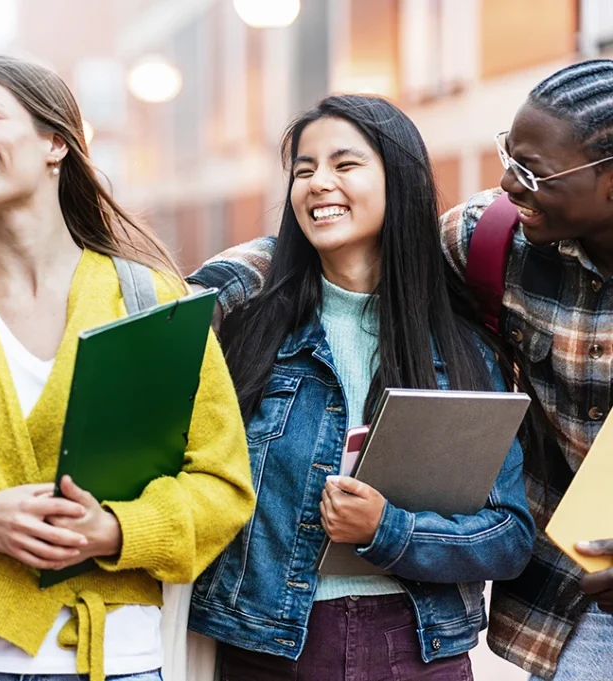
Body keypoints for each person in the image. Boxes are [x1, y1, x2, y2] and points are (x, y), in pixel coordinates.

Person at [0, 55, 256, 681]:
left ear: (56, 140)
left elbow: (222, 483)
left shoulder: (153, 300)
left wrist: (116, 529)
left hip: (118, 659)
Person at [189, 60, 613, 681]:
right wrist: (214, 288)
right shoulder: (488, 242)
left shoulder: (458, 354)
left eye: (533, 172)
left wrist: (388, 530)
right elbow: (368, 243)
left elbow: (501, 531)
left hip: (419, 641)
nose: (507, 184)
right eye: (303, 171)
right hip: (573, 596)